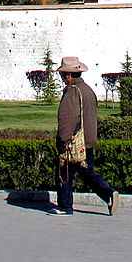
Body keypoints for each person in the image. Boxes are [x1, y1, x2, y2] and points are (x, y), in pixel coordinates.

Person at [50, 56, 120, 216]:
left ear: (68, 75)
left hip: (74, 143)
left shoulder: (72, 92)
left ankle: (65, 207)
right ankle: (108, 194)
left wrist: (62, 140)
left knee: (64, 173)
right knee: (87, 173)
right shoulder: (88, 90)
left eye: (62, 75)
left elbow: (67, 119)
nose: (62, 78)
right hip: (88, 141)